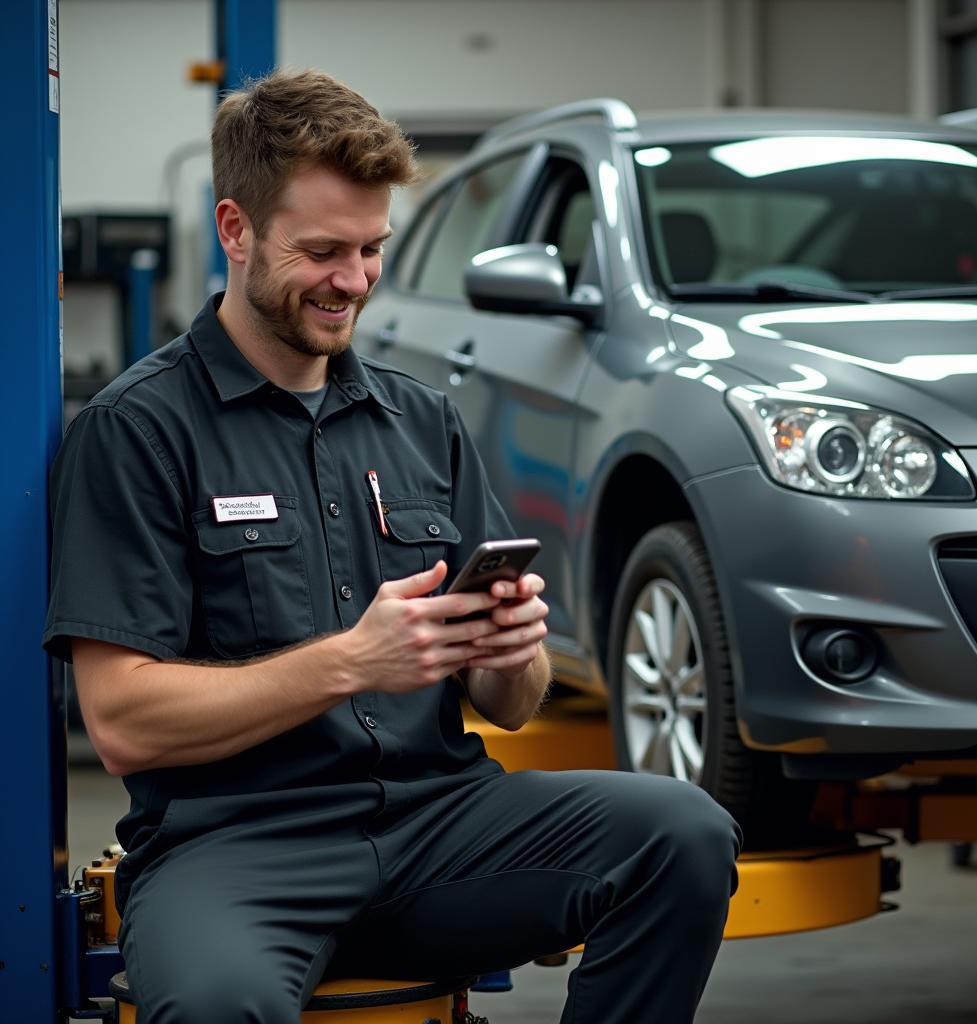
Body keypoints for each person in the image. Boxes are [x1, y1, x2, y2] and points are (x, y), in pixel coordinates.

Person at [45, 69, 740, 1024]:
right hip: (237, 853)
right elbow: (122, 721)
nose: (355, 281)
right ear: (236, 230)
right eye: (323, 250)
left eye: (373, 248)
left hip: (436, 831)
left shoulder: (423, 423)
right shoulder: (138, 431)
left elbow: (511, 702)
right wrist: (348, 663)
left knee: (683, 833)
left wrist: (509, 654)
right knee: (214, 1005)